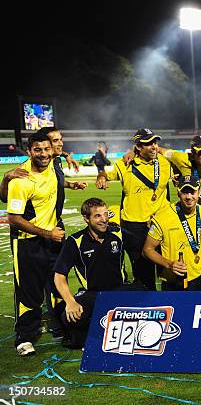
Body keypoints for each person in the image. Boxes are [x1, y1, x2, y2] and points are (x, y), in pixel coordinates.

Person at [7, 132, 71, 356]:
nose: (44, 154)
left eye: (47, 149)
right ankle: (25, 337)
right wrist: (47, 233)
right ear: (29, 151)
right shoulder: (21, 179)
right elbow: (14, 218)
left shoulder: (54, 163)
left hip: (52, 239)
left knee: (56, 284)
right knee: (29, 290)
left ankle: (59, 326)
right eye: (38, 150)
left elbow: (59, 169)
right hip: (29, 243)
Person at [53, 198, 144, 349]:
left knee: (149, 298)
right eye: (97, 216)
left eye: (106, 214)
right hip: (93, 295)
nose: (104, 220)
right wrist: (70, 302)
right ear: (86, 219)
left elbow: (145, 247)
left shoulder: (119, 233)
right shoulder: (75, 241)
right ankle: (98, 335)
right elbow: (59, 275)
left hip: (120, 291)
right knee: (71, 318)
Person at [96, 128, 173, 290]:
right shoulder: (124, 164)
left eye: (155, 142)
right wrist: (101, 176)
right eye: (148, 144)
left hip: (161, 224)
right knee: (143, 273)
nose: (154, 147)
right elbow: (107, 174)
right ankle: (147, 308)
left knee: (168, 271)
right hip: (135, 227)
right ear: (138, 147)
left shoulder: (165, 162)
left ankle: (171, 307)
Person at [143, 175, 201, 291]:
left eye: (192, 192)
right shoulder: (162, 217)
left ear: (198, 192)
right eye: (184, 192)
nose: (189, 197)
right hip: (174, 282)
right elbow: (147, 250)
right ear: (178, 193)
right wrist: (170, 264)